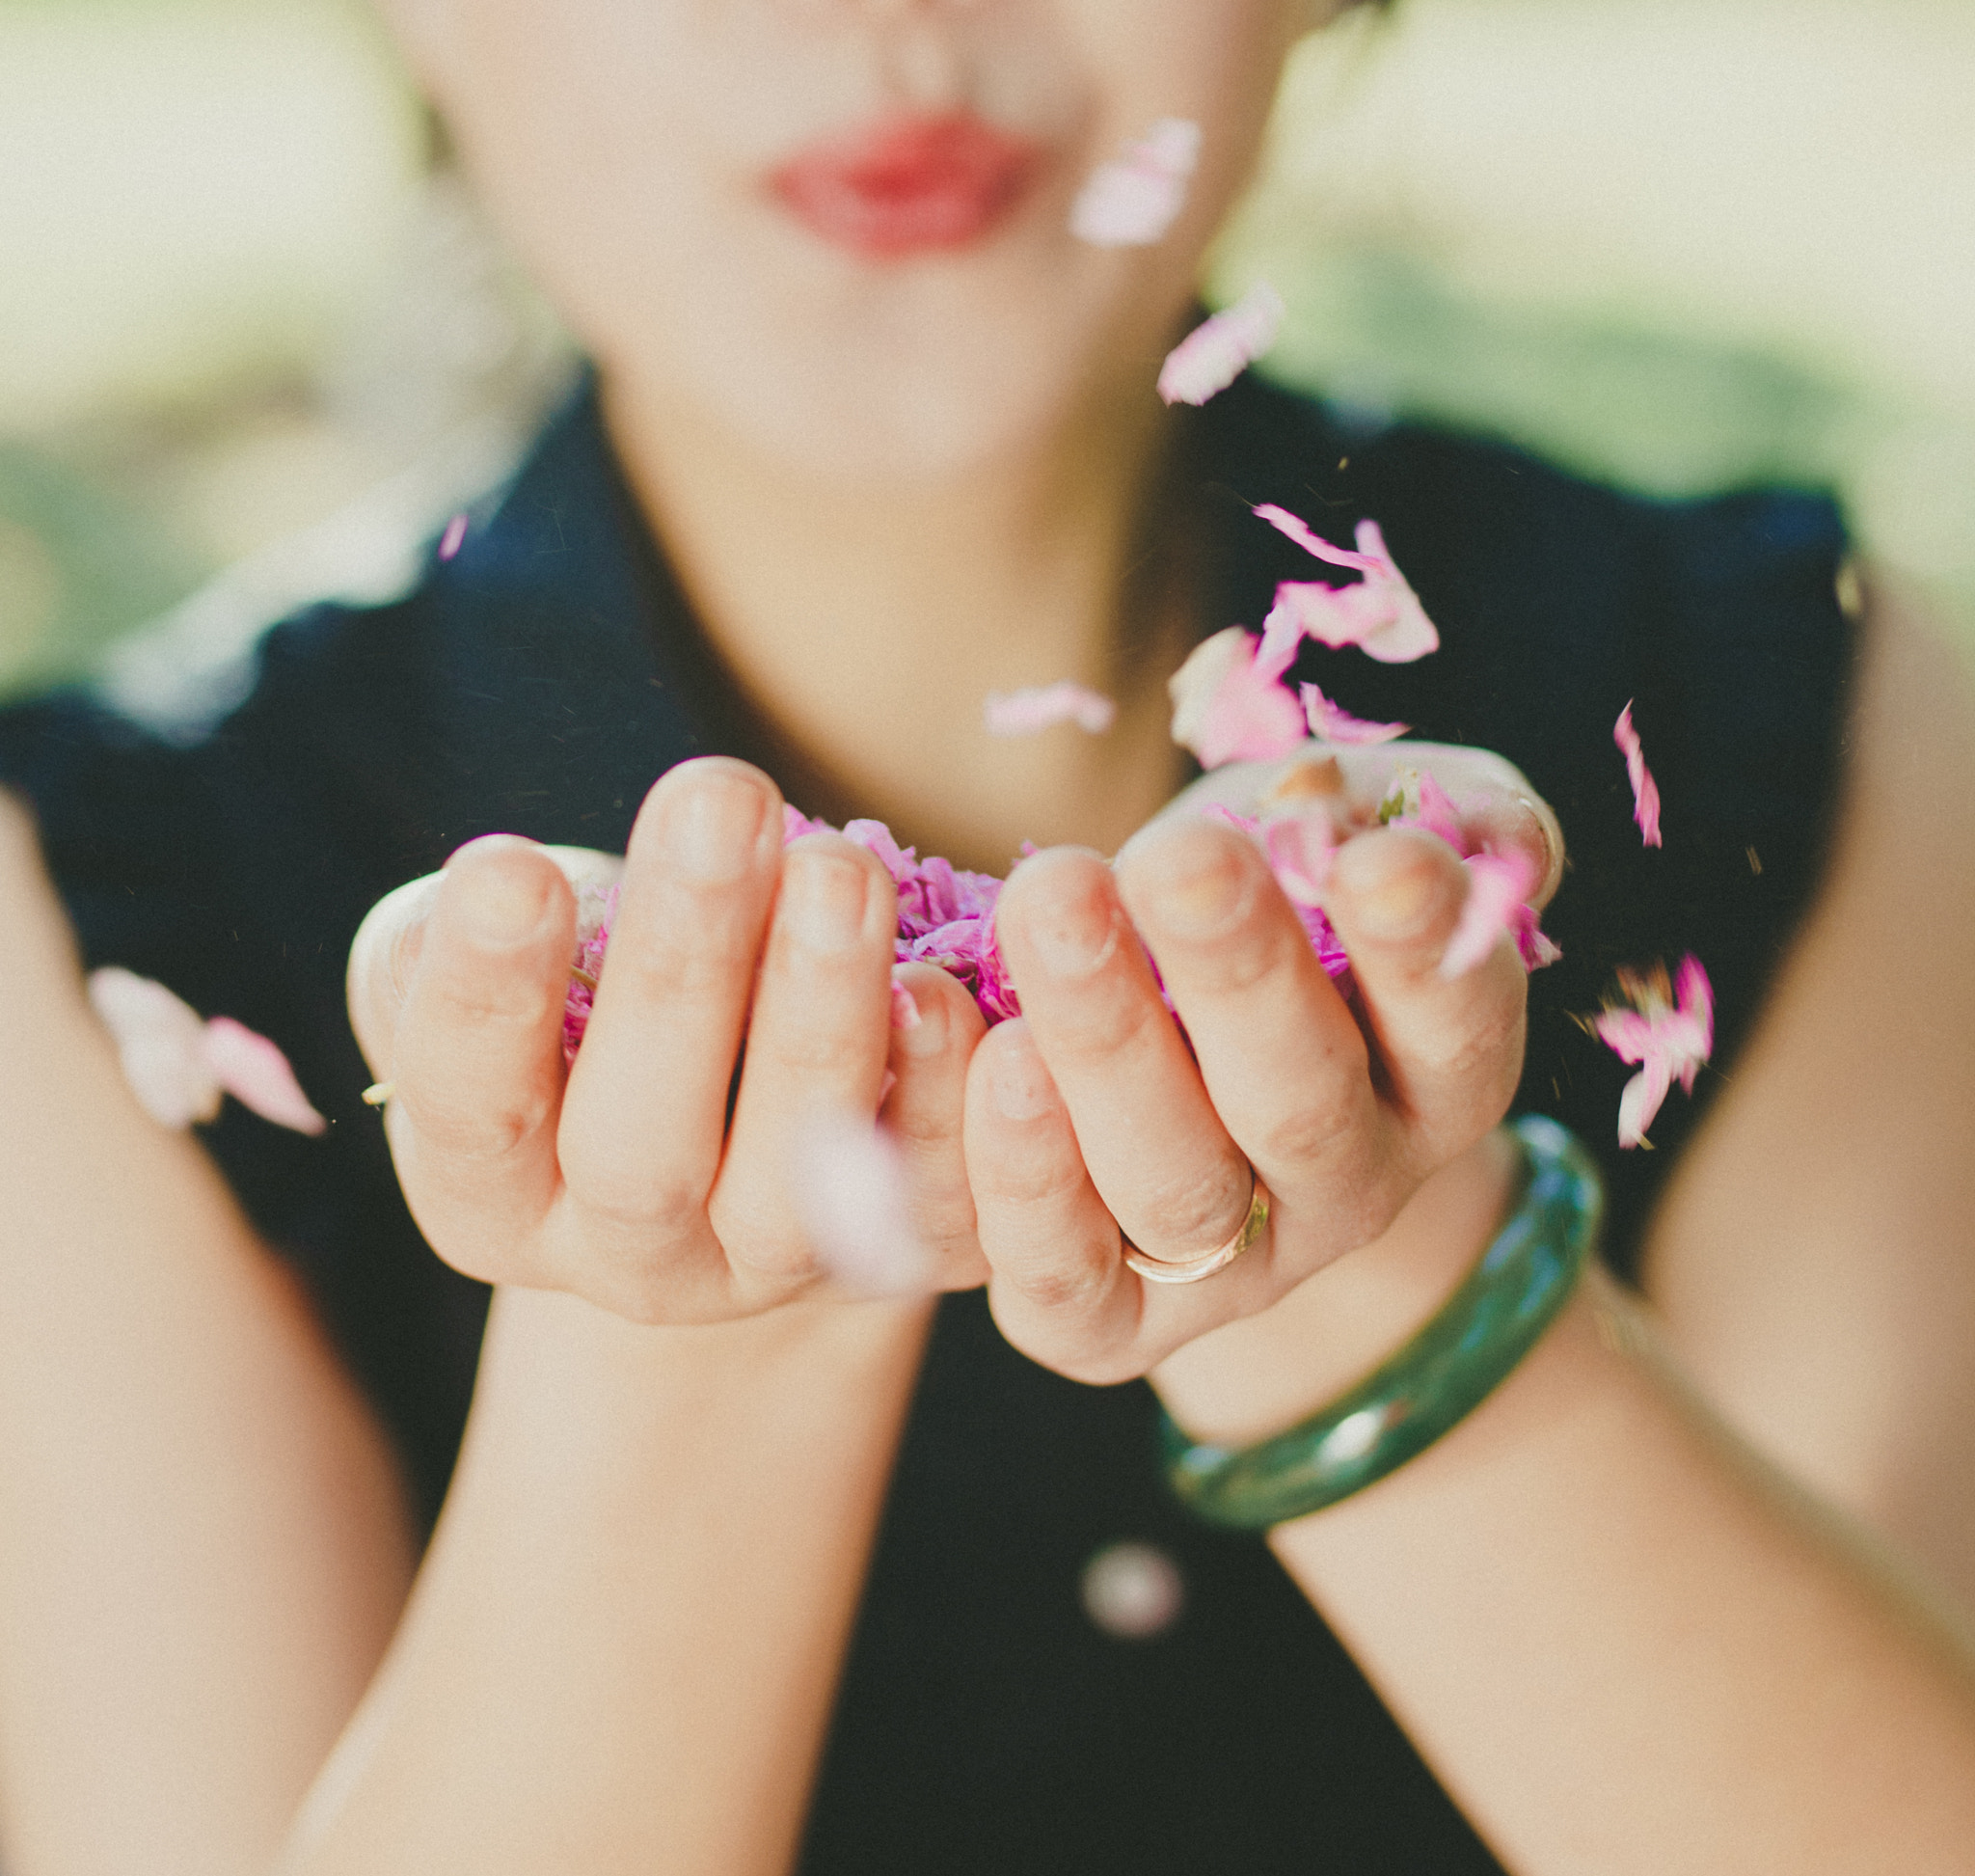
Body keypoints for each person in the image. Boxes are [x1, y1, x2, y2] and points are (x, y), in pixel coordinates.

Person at [2, 2, 1974, 1872]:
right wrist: (688, 1327)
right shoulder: (99, 919)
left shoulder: (1808, 718)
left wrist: (1367, 1276)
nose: (892, 21)